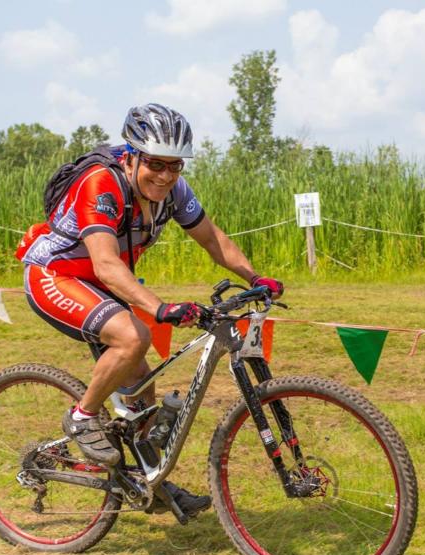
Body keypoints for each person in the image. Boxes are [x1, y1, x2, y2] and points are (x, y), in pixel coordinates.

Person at [16, 103, 284, 517]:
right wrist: (159, 308)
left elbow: (213, 239)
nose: (165, 176)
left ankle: (150, 482)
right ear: (132, 155)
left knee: (143, 391)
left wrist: (255, 278)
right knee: (134, 336)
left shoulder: (174, 191)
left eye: (174, 166)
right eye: (155, 164)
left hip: (102, 284)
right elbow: (105, 263)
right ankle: (82, 416)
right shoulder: (100, 185)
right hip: (56, 275)